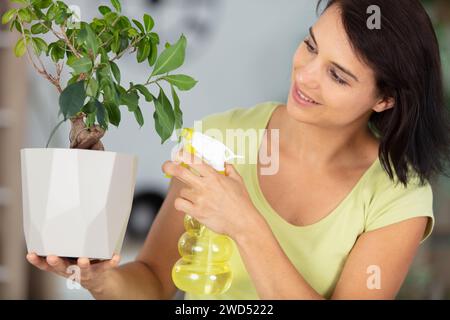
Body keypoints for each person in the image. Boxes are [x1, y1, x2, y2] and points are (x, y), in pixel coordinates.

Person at [27, 0, 450, 299]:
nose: (305, 75)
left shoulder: (398, 196)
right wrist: (96, 279)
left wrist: (244, 223)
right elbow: (154, 282)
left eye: (337, 76)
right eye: (311, 46)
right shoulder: (222, 137)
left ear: (385, 99)